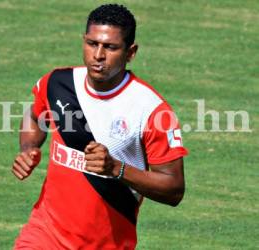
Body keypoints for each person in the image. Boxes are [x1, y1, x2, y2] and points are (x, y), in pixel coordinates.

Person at [12, 4, 188, 249]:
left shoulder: (151, 110)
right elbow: (34, 114)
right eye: (92, 43)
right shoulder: (57, 83)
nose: (98, 55)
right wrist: (28, 147)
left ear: (131, 52)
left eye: (110, 47)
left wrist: (116, 168)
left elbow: (174, 189)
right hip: (44, 234)